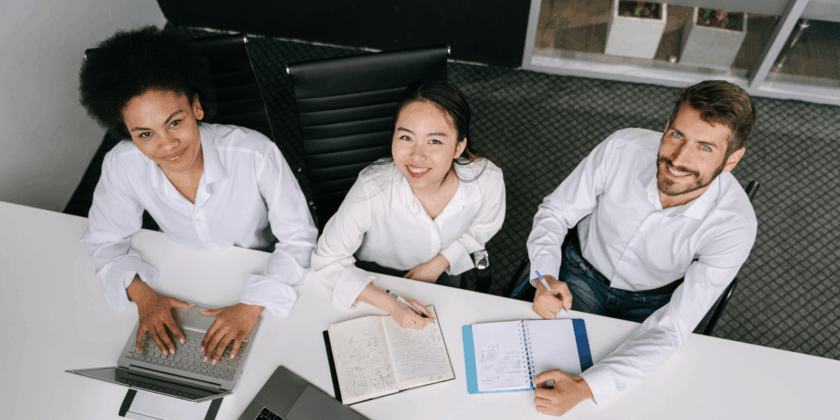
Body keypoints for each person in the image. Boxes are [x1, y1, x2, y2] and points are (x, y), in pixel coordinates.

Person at [78, 27, 318, 365]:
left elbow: (299, 238)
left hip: (256, 261)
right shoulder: (123, 163)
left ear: (196, 107)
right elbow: (103, 241)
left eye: (174, 123)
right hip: (180, 268)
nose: (166, 145)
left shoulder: (255, 153)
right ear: (127, 133)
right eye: (145, 134)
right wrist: (144, 297)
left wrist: (252, 305)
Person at [526, 80, 757, 416]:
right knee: (532, 371)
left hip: (651, 302)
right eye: (677, 135)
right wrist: (544, 274)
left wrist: (587, 388)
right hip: (578, 273)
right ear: (666, 126)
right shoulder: (622, 147)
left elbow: (672, 327)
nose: (678, 159)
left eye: (705, 147)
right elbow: (555, 213)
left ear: (732, 159)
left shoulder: (735, 227)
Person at [311, 81, 505, 329]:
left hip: (442, 271)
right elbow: (326, 261)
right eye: (406, 137)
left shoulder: (487, 180)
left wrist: (441, 261)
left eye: (434, 141)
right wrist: (392, 305)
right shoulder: (372, 187)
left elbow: (484, 227)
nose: (416, 156)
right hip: (373, 278)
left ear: (459, 147)